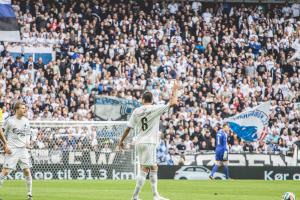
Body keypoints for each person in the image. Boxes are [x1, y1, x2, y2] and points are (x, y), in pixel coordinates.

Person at [118, 80, 178, 200]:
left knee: (153, 167)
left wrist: (121, 140)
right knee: (145, 169)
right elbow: (174, 103)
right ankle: (137, 196)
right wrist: (175, 90)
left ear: (142, 99)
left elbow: (128, 128)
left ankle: (154, 195)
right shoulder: (155, 108)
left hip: (140, 142)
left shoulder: (137, 111)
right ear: (151, 100)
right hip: (149, 142)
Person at [0, 102, 33, 200]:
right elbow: (1, 132)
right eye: (23, 108)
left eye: (25, 108)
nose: (25, 110)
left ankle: (29, 194)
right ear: (17, 109)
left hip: (23, 150)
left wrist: (27, 142)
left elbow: (27, 134)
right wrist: (5, 145)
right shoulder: (9, 121)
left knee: (27, 171)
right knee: (5, 172)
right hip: (12, 149)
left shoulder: (26, 121)